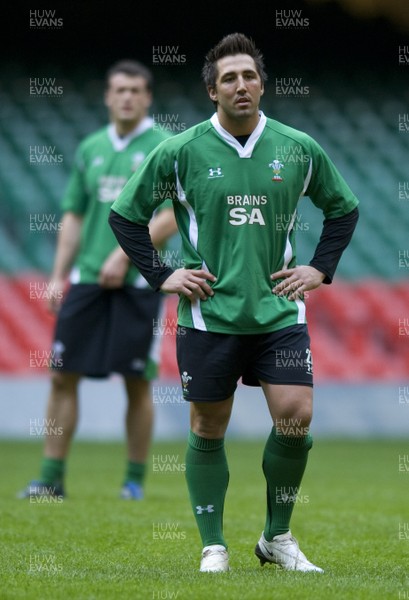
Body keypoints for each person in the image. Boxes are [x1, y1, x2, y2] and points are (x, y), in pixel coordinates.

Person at [109, 34, 359, 571]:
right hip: (210, 313)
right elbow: (125, 215)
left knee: (296, 417)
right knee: (207, 427)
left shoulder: (297, 147)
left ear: (262, 85)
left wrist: (320, 268)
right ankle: (213, 546)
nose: (240, 85)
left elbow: (344, 209)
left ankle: (277, 538)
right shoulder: (180, 150)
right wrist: (161, 275)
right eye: (229, 78)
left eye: (249, 76)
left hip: (279, 311)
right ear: (211, 90)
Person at [19, 59, 177, 501]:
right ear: (108, 96)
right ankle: (51, 479)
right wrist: (56, 276)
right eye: (119, 89)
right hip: (86, 279)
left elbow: (171, 217)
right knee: (62, 374)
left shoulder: (165, 147)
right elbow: (73, 215)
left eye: (135, 90)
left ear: (147, 97)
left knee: (136, 381)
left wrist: (124, 255)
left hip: (140, 283)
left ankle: (133, 483)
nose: (126, 96)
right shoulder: (89, 147)